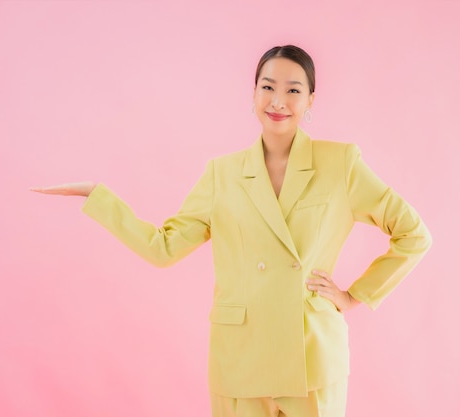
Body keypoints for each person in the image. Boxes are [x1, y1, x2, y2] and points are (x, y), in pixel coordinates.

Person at [30, 45, 432, 417]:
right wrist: (98, 197)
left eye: (293, 89)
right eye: (267, 86)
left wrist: (354, 296)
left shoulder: (340, 162)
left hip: (311, 356)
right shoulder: (221, 174)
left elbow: (413, 235)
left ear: (311, 100)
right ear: (253, 94)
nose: (278, 100)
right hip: (240, 356)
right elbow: (163, 248)